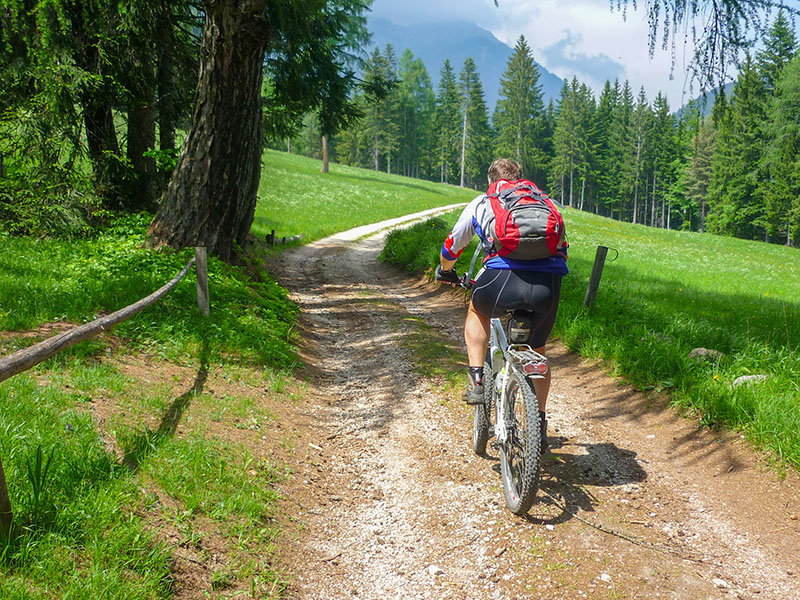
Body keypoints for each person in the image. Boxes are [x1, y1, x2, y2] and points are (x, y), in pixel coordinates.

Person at [434, 158, 568, 451]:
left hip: (499, 283)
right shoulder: (545, 203)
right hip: (547, 287)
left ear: (490, 180)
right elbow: (562, 249)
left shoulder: (484, 202)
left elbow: (452, 245)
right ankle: (540, 424)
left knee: (477, 310)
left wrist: (445, 270)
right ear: (521, 178)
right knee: (539, 351)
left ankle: (477, 377)